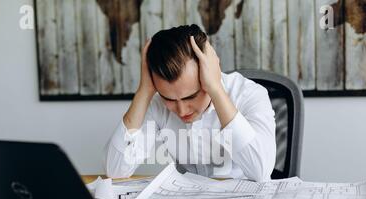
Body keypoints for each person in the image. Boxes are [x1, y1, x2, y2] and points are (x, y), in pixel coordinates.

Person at [104, 25, 276, 181]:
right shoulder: (157, 103)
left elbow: (260, 171)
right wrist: (144, 92)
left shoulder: (251, 94)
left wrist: (216, 90)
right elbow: (116, 171)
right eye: (169, 99)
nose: (181, 110)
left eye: (190, 97)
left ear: (209, 71)